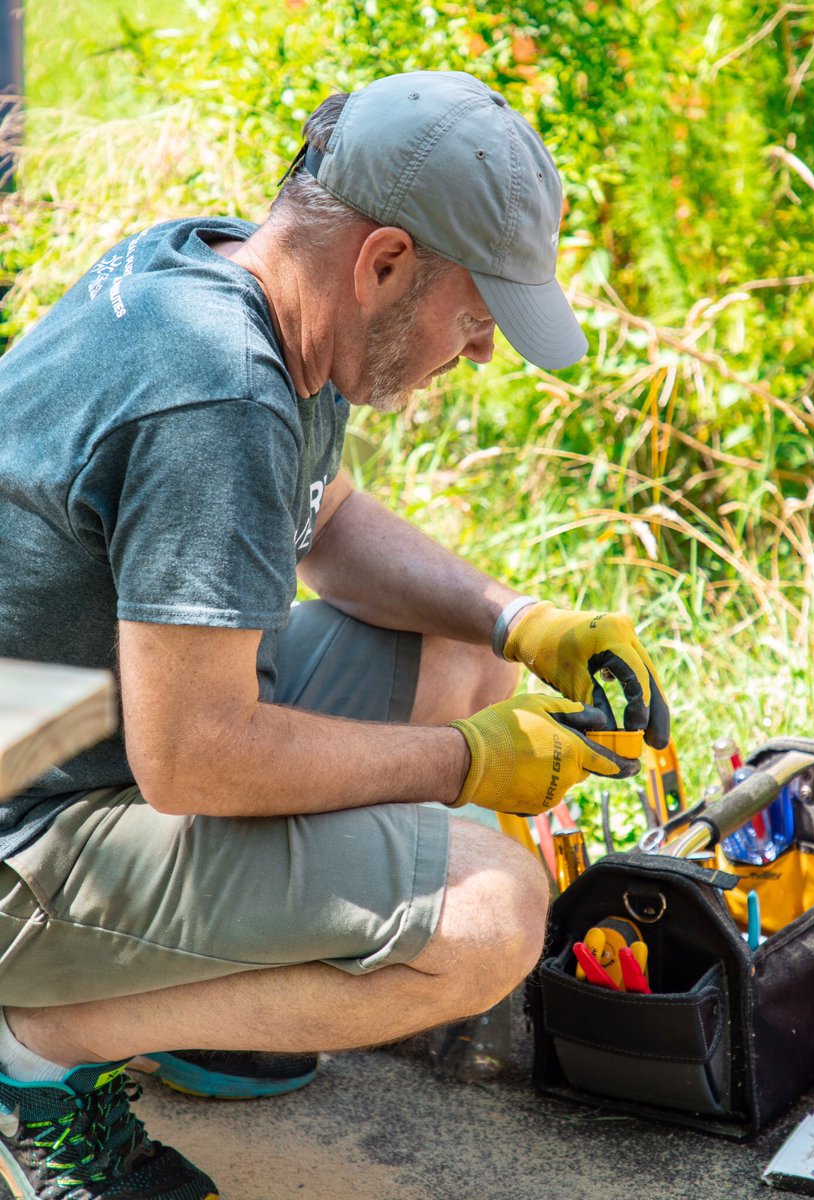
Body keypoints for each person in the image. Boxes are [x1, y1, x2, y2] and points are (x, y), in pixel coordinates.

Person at [0, 69, 669, 1198]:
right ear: (387, 261)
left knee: (461, 653)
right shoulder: (213, 394)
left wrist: (524, 622)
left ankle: (176, 999)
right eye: (476, 311)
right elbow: (194, 758)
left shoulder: (223, 272)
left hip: (78, 742)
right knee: (491, 914)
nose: (483, 350)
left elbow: (331, 522)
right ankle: (32, 1055)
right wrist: (471, 762)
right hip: (29, 833)